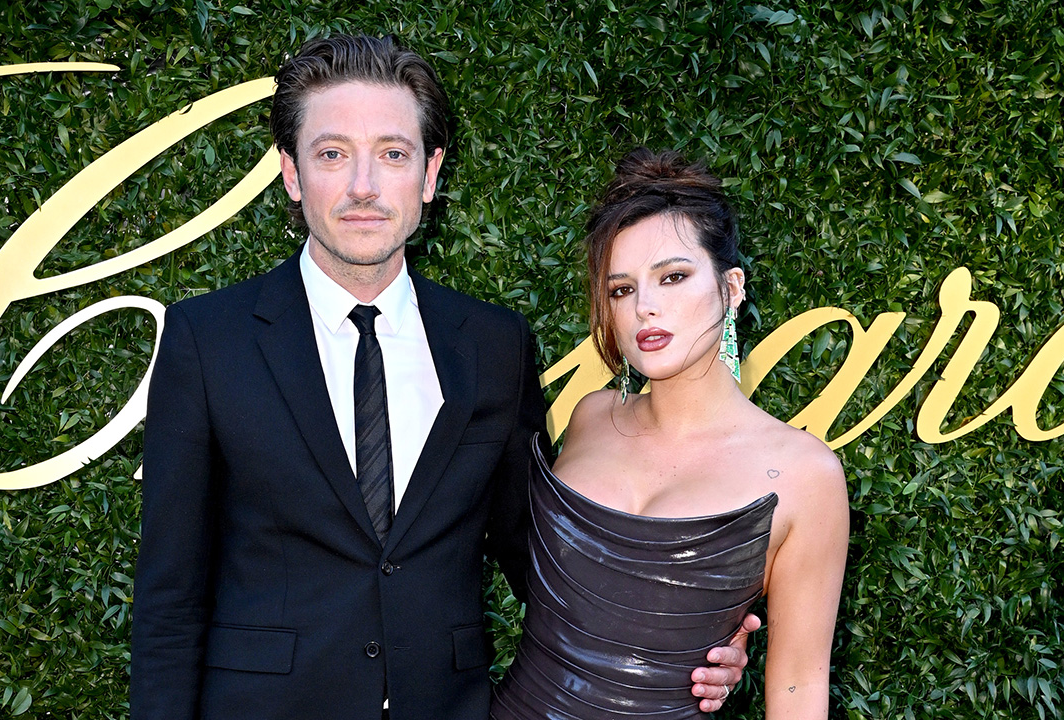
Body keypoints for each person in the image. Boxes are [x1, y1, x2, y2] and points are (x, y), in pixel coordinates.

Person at [130, 37, 747, 720]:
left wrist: (692, 645)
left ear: (429, 173)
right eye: (332, 154)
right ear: (292, 174)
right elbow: (169, 598)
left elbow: (539, 562)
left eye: (393, 154)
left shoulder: (493, 345)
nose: (363, 186)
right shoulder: (209, 340)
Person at [491, 148, 850, 719]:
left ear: (731, 288)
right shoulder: (590, 417)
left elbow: (799, 689)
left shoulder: (806, 475)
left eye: (674, 277)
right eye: (622, 290)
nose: (646, 309)